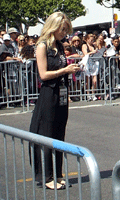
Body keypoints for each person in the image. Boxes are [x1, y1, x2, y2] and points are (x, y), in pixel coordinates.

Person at [29, 11, 80, 190]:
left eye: (66, 30)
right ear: (54, 26)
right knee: (47, 134)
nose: (64, 33)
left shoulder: (59, 45)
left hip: (62, 95)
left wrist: (70, 69)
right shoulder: (42, 46)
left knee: (59, 135)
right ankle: (47, 175)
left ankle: (58, 174)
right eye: (62, 29)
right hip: (49, 95)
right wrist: (64, 71)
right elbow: (43, 75)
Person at [82, 33, 98, 101]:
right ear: (87, 39)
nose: (92, 41)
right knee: (88, 79)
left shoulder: (94, 46)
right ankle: (88, 94)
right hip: (87, 63)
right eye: (91, 39)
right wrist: (92, 52)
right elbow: (85, 54)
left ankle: (93, 93)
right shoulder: (84, 45)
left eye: (93, 40)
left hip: (94, 63)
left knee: (95, 80)